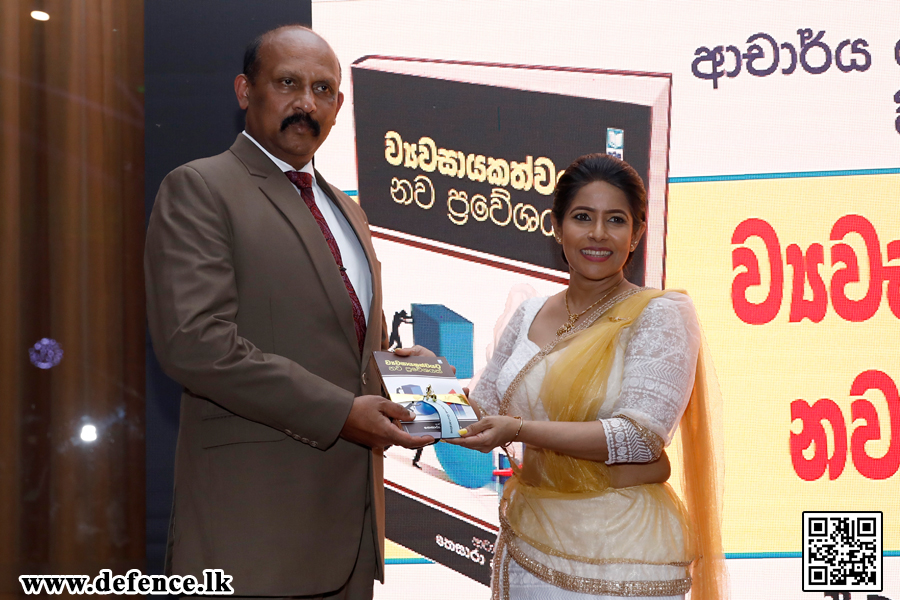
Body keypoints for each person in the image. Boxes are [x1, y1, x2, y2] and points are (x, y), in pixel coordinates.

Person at [144, 25, 433, 599]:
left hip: (351, 534)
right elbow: (196, 343)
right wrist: (342, 412)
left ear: (339, 106)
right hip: (255, 536)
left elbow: (348, 346)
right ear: (244, 90)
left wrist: (408, 370)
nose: (307, 104)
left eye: (323, 90)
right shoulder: (200, 188)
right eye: (287, 84)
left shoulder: (347, 211)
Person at [447, 154, 726, 599]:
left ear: (636, 233)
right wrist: (427, 375)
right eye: (582, 217)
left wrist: (520, 430)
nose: (598, 234)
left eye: (615, 220)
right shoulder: (528, 312)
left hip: (620, 557)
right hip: (529, 541)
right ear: (557, 226)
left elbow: (638, 438)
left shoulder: (659, 315)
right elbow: (481, 411)